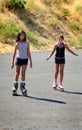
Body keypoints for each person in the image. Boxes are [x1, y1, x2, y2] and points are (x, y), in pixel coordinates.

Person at [11, 30, 32, 96]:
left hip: (25, 59)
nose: (22, 36)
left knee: (23, 73)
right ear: (19, 36)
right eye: (21, 35)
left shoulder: (27, 43)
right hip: (19, 59)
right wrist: (12, 62)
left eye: (23, 35)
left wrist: (31, 61)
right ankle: (15, 86)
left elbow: (28, 52)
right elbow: (14, 53)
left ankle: (22, 87)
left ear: (25, 36)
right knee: (17, 73)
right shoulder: (17, 44)